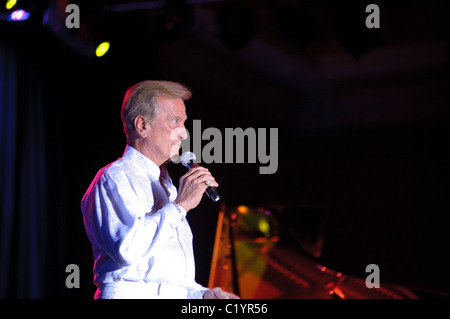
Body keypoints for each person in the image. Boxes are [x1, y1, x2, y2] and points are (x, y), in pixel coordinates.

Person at [80, 80, 239, 299]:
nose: (183, 133)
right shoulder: (114, 178)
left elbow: (169, 281)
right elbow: (128, 249)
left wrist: (203, 295)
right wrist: (180, 205)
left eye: (184, 123)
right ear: (142, 126)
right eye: (175, 121)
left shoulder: (166, 186)